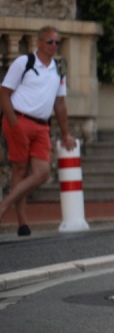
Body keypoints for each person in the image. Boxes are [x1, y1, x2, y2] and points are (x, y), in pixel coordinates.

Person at [0, 26, 75, 236]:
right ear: (39, 42)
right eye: (50, 41)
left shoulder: (59, 68)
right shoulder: (24, 62)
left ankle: (4, 205)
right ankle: (22, 222)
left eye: (57, 42)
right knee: (20, 171)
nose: (54, 46)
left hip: (42, 125)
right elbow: (4, 93)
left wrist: (66, 133)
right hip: (20, 120)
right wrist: (13, 122)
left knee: (42, 173)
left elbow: (60, 104)